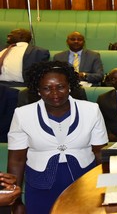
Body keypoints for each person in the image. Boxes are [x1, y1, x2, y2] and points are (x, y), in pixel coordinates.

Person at [7, 61, 108, 213]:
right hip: (40, 185)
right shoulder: (22, 114)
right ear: (38, 90)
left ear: (69, 86)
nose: (55, 94)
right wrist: (15, 200)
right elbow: (17, 159)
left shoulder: (91, 110)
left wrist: (107, 186)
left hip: (83, 183)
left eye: (60, 87)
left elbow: (100, 153)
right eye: (46, 88)